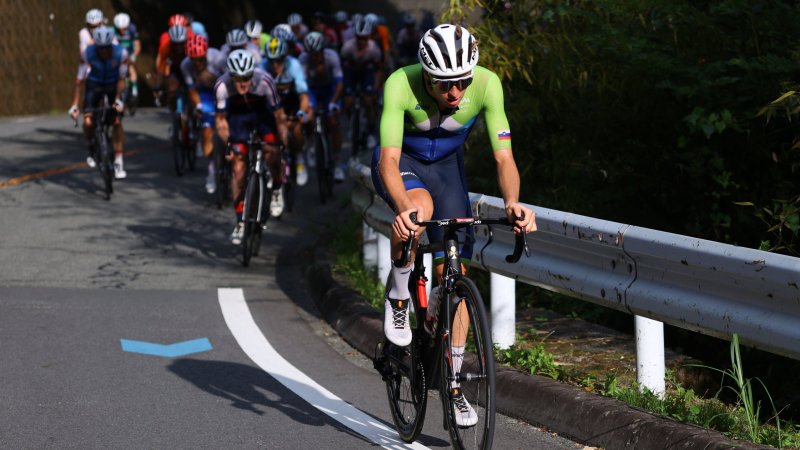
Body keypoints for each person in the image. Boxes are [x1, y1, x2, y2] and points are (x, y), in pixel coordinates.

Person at [372, 24, 537, 426]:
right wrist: (402, 208)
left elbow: (503, 157)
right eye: (445, 84)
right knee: (419, 209)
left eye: (463, 82)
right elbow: (388, 160)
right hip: (403, 164)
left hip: (448, 171)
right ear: (426, 74)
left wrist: (513, 203)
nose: (456, 92)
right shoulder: (400, 83)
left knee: (456, 277)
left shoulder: (488, 85)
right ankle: (398, 298)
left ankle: (454, 383)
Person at [215, 50, 289, 244]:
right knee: (238, 169)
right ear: (231, 76)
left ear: (252, 73)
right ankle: (240, 221)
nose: (242, 83)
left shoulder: (265, 81)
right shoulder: (222, 86)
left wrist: (282, 143)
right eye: (238, 79)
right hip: (238, 117)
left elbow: (279, 116)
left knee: (272, 154)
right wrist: (229, 146)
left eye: (246, 77)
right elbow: (221, 122)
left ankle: (276, 189)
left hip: (262, 115)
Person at [69, 26, 129, 179]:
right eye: (100, 48)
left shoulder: (121, 53)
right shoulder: (87, 53)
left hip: (113, 85)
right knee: (88, 121)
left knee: (117, 121)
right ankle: (91, 145)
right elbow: (79, 81)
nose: (103, 51)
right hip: (94, 85)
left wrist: (118, 99)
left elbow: (122, 80)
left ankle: (119, 161)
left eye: (106, 48)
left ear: (111, 45)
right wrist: (75, 105)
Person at [263, 36, 311, 187]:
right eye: (272, 61)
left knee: (296, 128)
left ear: (285, 57)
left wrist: (301, 112)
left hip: (291, 101)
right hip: (271, 104)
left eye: (279, 60)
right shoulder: (262, 67)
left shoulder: (293, 65)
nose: (275, 65)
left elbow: (303, 96)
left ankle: (300, 158)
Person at [181, 34, 226, 194]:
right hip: (205, 96)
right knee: (206, 130)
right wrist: (199, 106)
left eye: (200, 59)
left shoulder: (218, 58)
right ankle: (212, 170)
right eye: (194, 60)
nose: (197, 63)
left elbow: (231, 81)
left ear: (206, 54)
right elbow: (191, 90)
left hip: (223, 92)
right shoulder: (185, 65)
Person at [300, 31, 346, 181]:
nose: (314, 57)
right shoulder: (303, 60)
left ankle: (337, 163)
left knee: (332, 121)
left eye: (317, 54)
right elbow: (302, 87)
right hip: (312, 90)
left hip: (330, 90)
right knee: (308, 115)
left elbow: (339, 84)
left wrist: (333, 103)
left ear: (322, 51)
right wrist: (308, 107)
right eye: (311, 54)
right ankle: (311, 144)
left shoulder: (331, 57)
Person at [340, 16, 383, 148]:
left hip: (367, 73)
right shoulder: (347, 47)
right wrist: (345, 89)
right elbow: (341, 69)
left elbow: (379, 70)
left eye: (364, 38)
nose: (361, 41)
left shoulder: (374, 49)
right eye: (359, 38)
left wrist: (375, 88)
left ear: (369, 37)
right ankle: (351, 123)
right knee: (348, 101)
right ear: (355, 37)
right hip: (351, 73)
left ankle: (371, 132)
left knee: (368, 101)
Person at [154, 24, 189, 113]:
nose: (178, 47)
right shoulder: (166, 48)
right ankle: (174, 112)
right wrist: (158, 85)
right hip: (175, 69)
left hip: (189, 70)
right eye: (175, 44)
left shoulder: (189, 47)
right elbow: (161, 68)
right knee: (171, 89)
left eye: (181, 43)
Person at [113, 13, 141, 104]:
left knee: (130, 68)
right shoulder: (112, 30)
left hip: (129, 52)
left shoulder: (132, 29)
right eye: (119, 29)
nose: (122, 31)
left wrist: (134, 56)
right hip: (117, 53)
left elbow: (137, 46)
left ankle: (134, 91)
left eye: (124, 28)